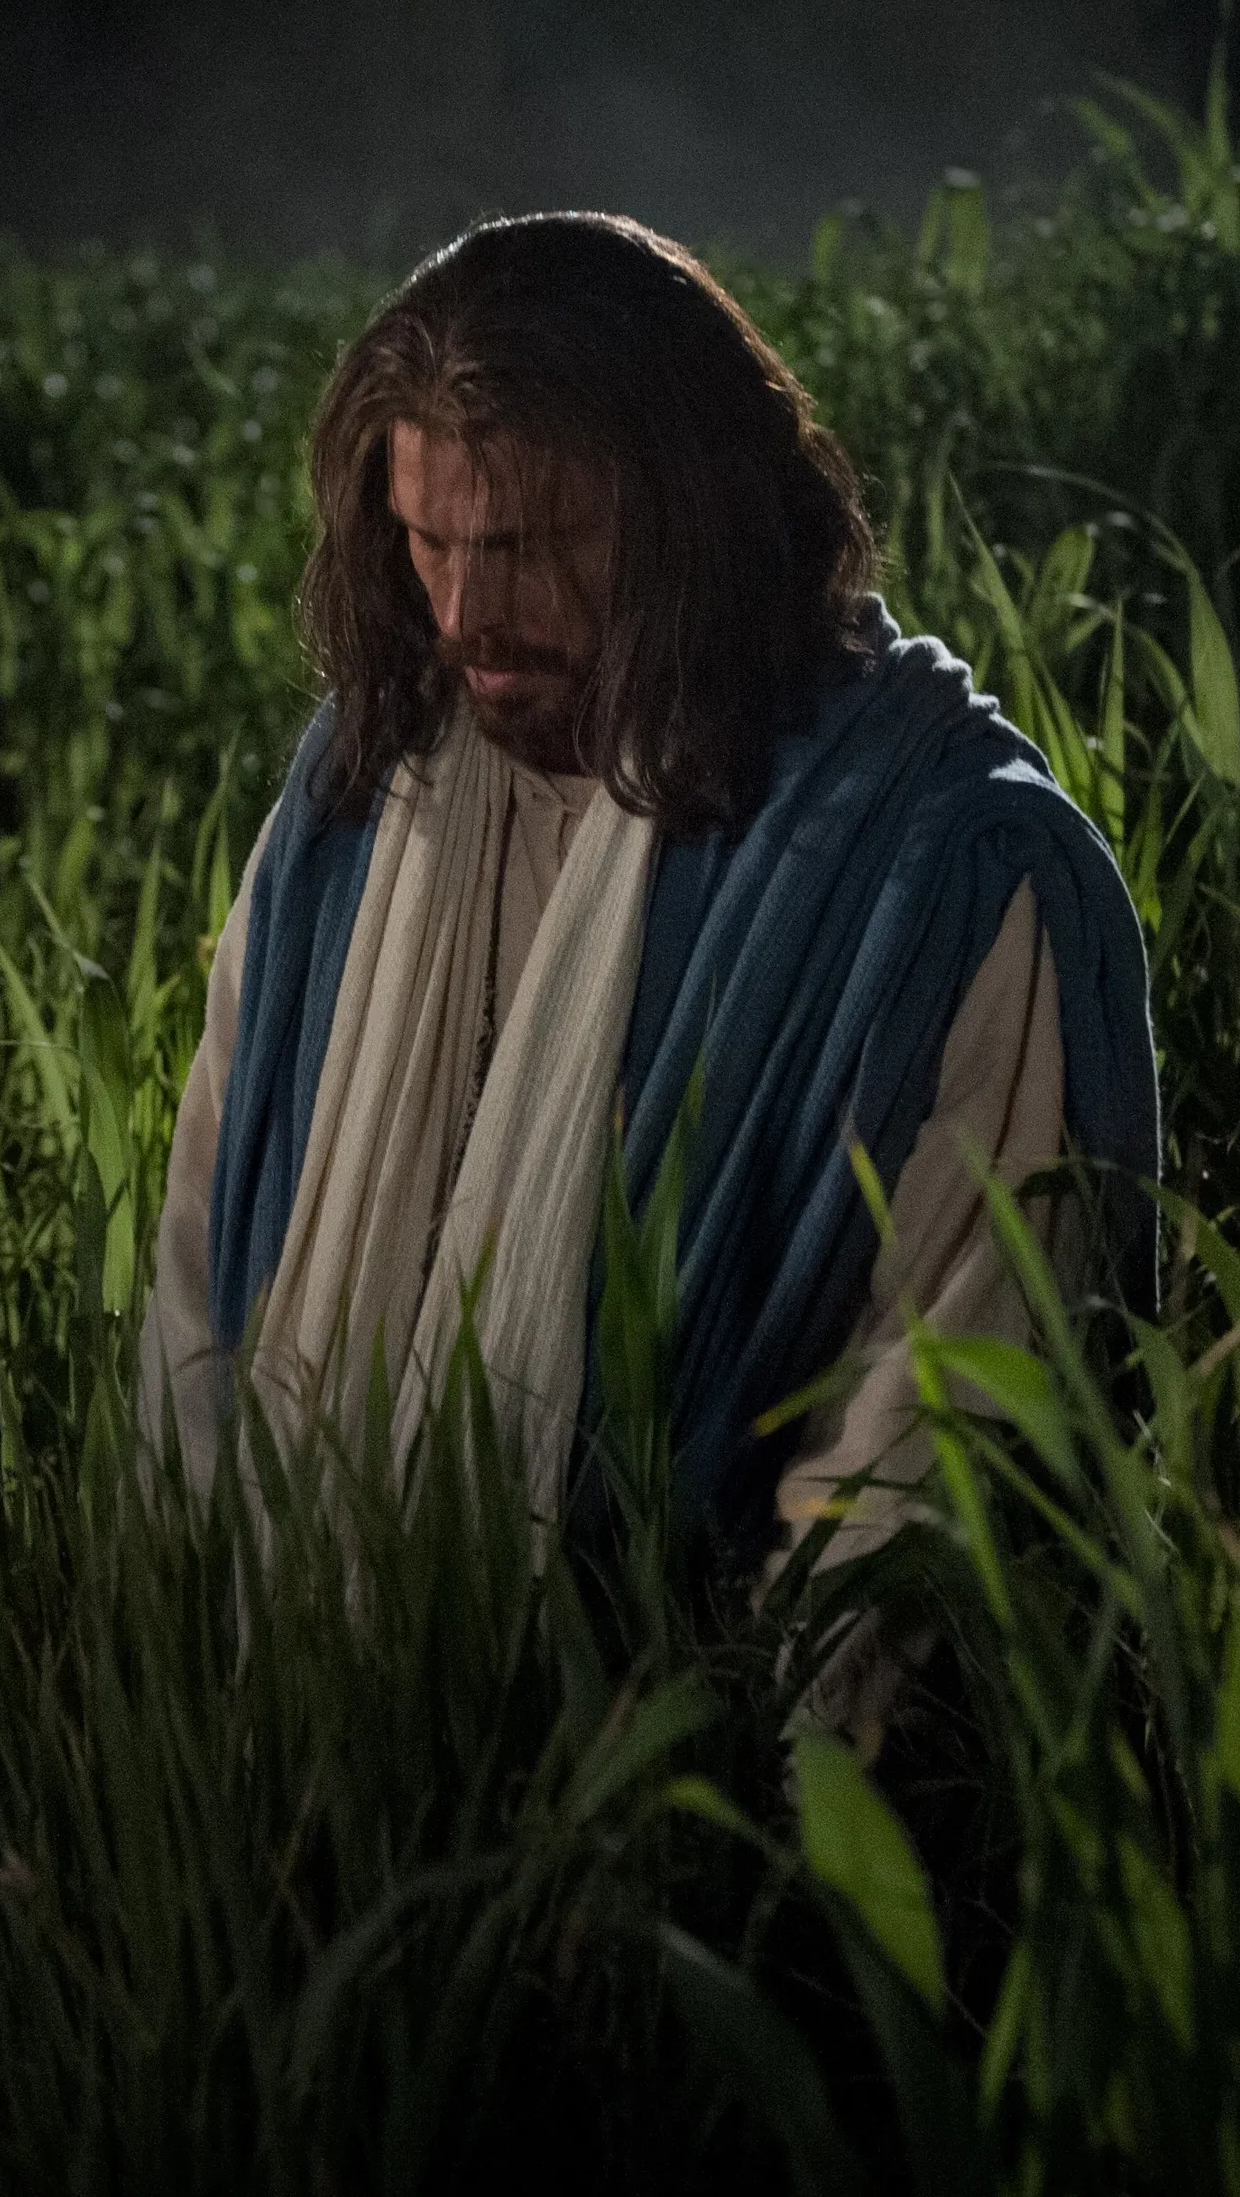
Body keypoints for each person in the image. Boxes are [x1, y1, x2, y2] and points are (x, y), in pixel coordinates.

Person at [138, 213, 1158, 1657]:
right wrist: (190, 1646)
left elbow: (932, 1436)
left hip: (709, 1730)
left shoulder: (938, 874)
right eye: (427, 542)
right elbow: (204, 1265)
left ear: (695, 520)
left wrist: (755, 1757)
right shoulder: (357, 806)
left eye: (525, 548)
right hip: (297, 1709)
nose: (465, 616)